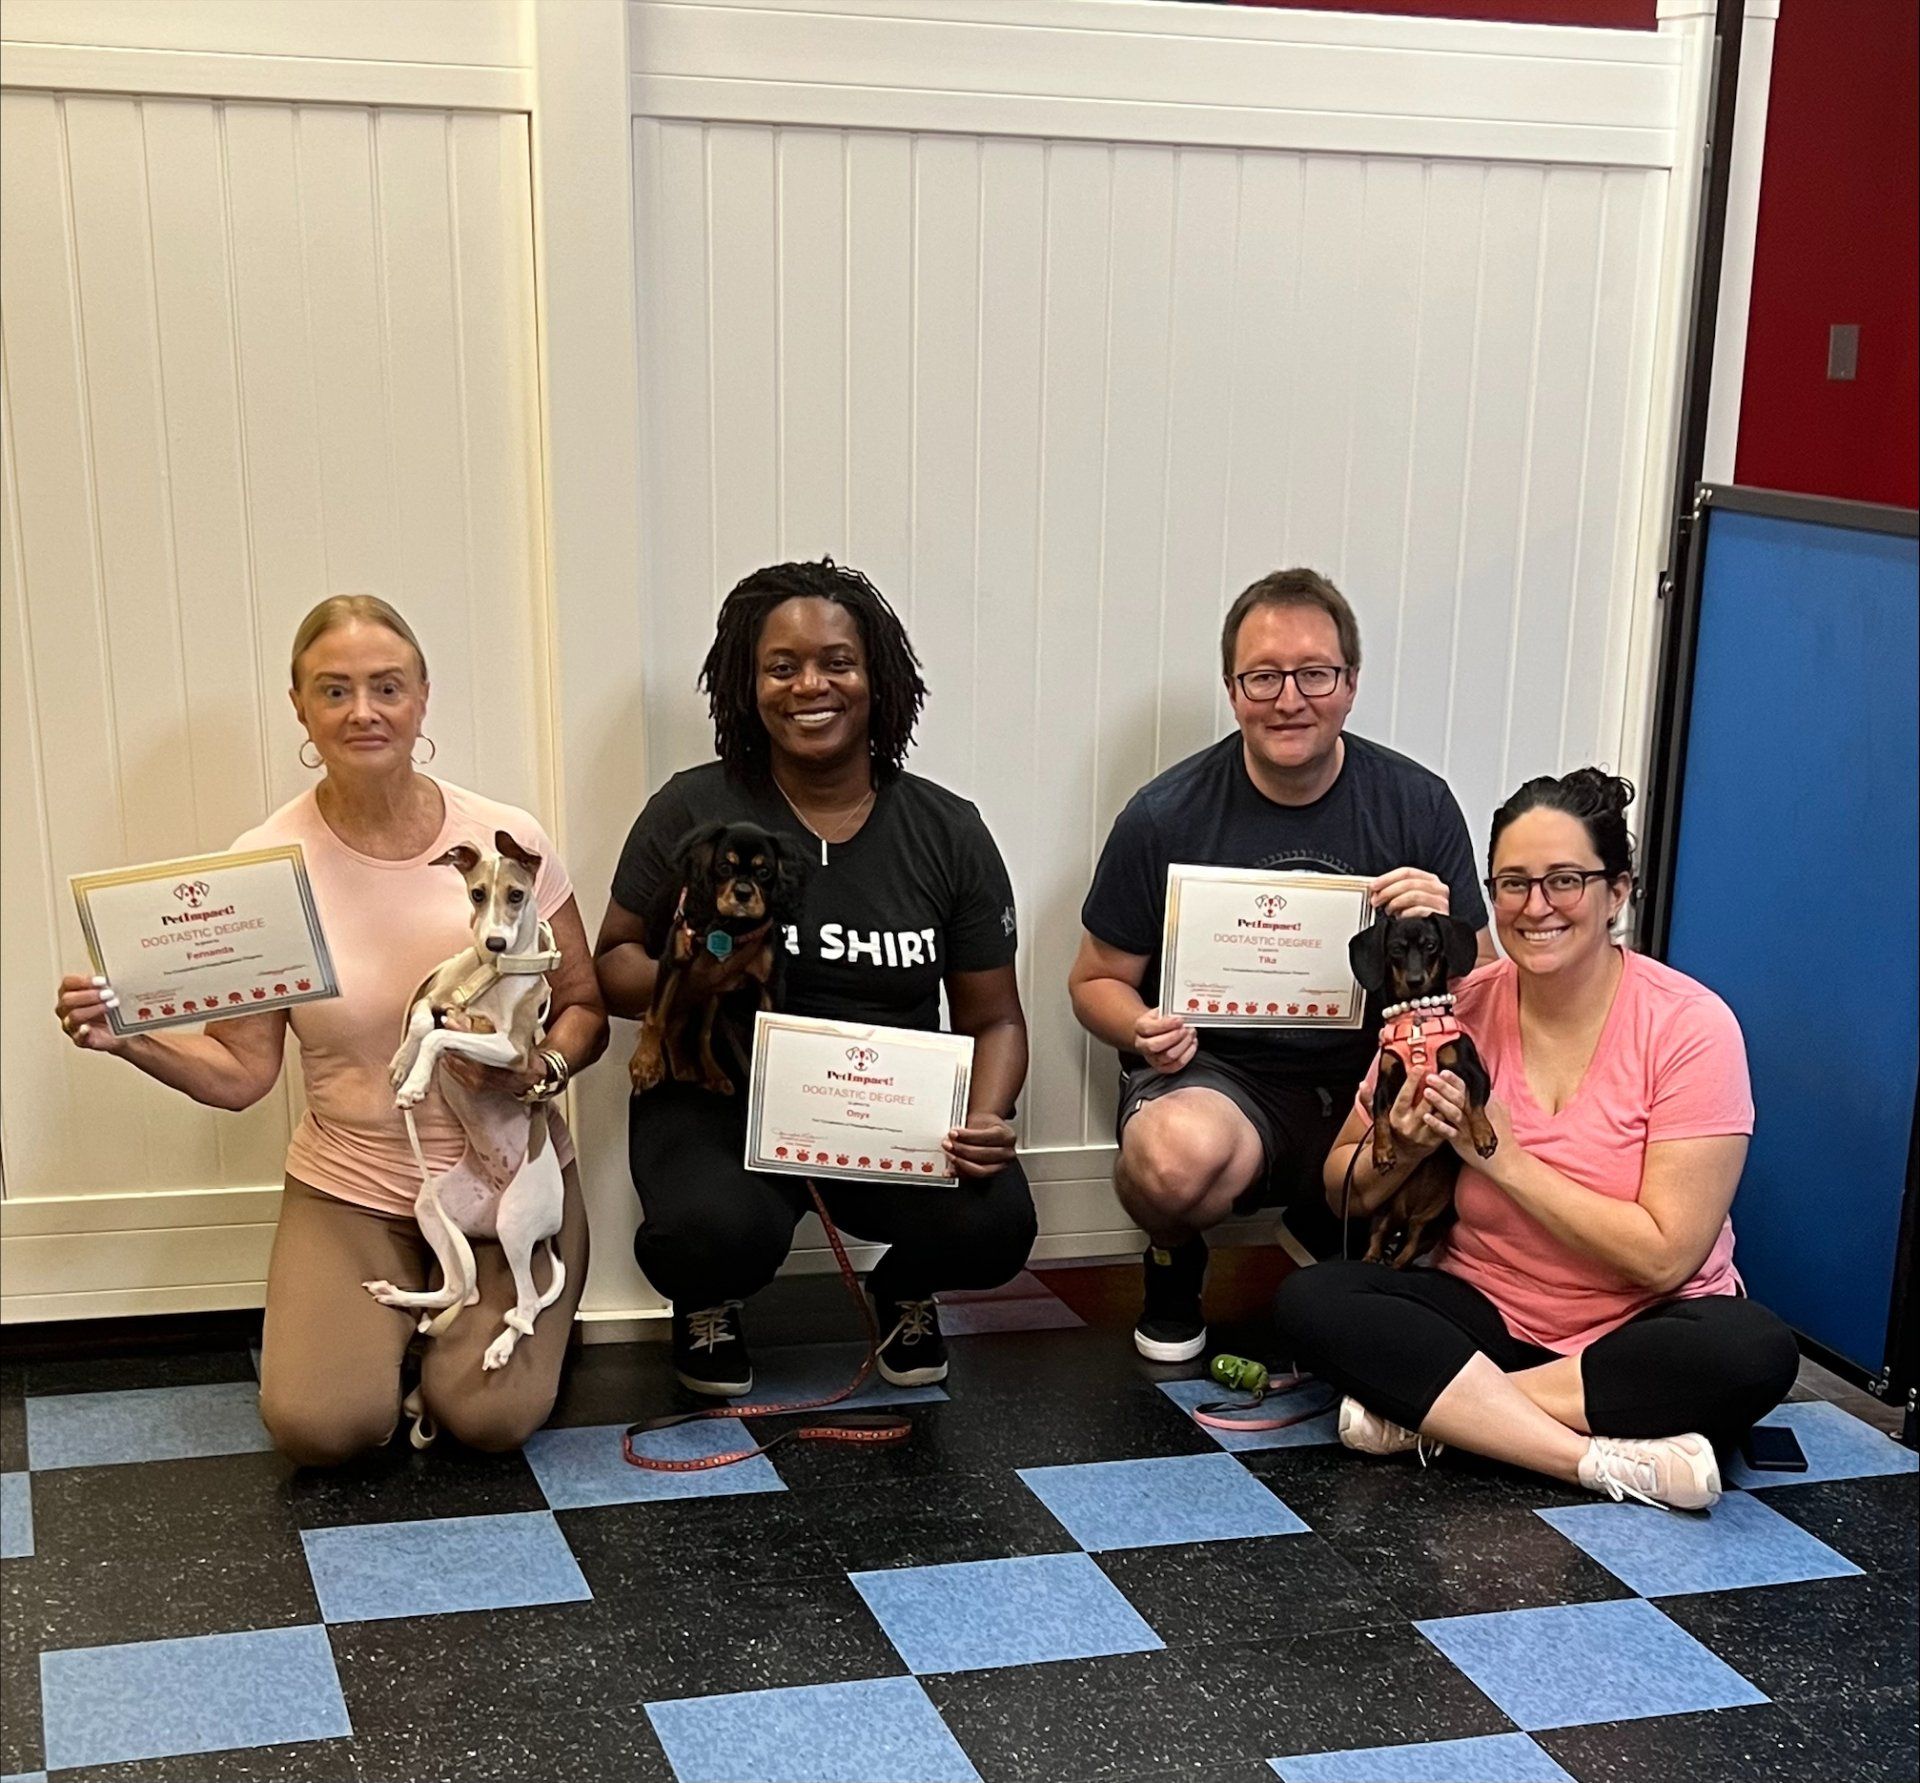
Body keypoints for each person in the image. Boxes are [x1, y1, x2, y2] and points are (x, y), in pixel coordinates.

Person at [53, 596, 606, 1466]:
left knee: (484, 1420)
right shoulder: (265, 864)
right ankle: (413, 1325)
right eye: (335, 689)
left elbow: (584, 1006)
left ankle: (476, 1329)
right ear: (299, 706)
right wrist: (130, 1036)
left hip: (507, 1178)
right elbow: (242, 1075)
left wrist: (541, 1071)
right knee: (322, 1430)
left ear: (423, 696)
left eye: (387, 686)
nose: (364, 711)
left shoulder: (507, 841)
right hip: (352, 1180)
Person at [1273, 769, 1799, 1512]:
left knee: (1752, 1352)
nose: (1535, 905)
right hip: (1484, 1314)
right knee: (1311, 1298)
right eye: (1513, 883)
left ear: (1617, 892)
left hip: (1641, 1328)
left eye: (1565, 880)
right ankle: (1593, 1459)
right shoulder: (1450, 1011)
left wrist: (1503, 1157)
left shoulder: (1692, 1026)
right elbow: (1340, 1184)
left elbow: (1664, 1255)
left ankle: (1445, 1416)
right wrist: (1408, 1143)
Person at [595, 559, 1037, 1396]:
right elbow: (611, 958)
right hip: (722, 1100)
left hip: (885, 1113)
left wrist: (986, 1111)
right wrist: (688, 978)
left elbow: (997, 1019)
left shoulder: (948, 830)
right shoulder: (693, 811)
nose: (811, 685)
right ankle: (707, 1296)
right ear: (744, 682)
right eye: (781, 665)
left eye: (838, 661)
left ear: (878, 677)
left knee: (998, 1221)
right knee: (707, 1229)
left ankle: (904, 1287)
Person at [1069, 568, 1491, 1361]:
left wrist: (1448, 919)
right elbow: (1092, 981)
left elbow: (1492, 988)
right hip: (1228, 1079)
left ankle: (1326, 1215)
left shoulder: (1418, 803)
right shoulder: (1165, 814)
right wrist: (1141, 1024)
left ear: (1351, 684)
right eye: (1263, 676)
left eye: (1314, 673)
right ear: (1232, 689)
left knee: (1468, 1108)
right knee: (1170, 1160)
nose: (1288, 698)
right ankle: (1173, 1256)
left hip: (1377, 1074)